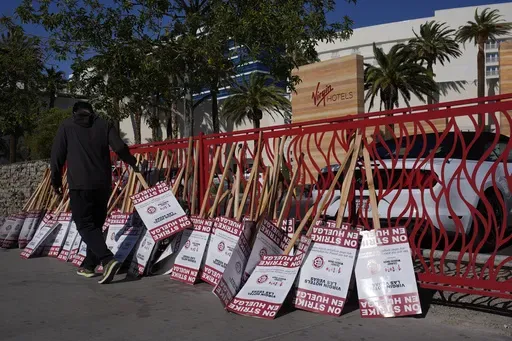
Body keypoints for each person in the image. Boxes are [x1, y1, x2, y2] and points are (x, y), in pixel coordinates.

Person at [51, 101, 138, 284]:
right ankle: (89, 266)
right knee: (95, 225)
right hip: (102, 184)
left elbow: (57, 156)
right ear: (92, 111)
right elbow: (120, 147)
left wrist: (56, 182)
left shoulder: (67, 126)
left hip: (80, 184)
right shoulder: (104, 124)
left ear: (74, 112)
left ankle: (107, 260)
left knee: (84, 224)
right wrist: (132, 162)